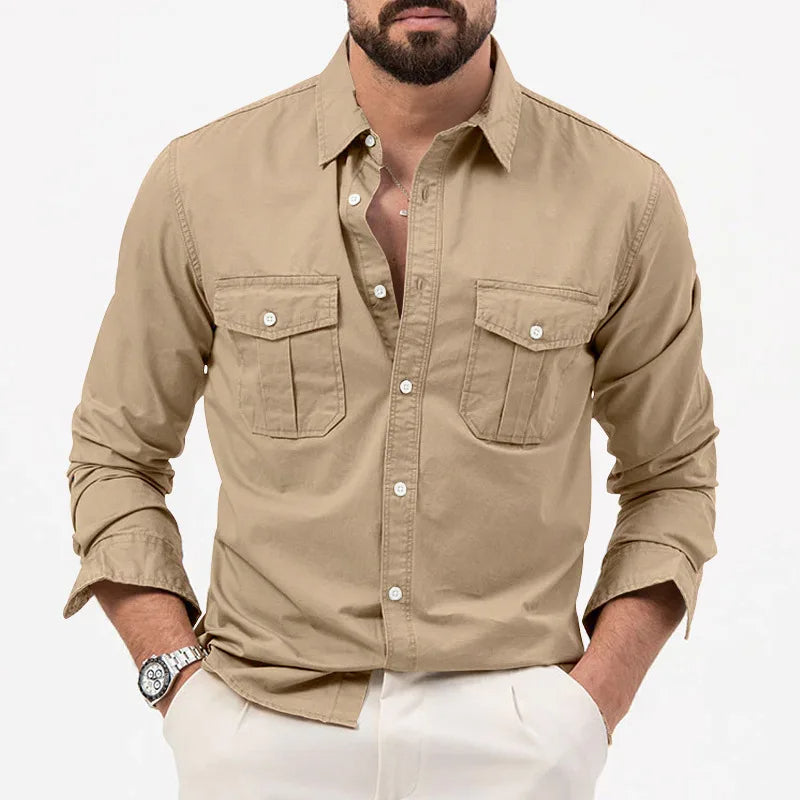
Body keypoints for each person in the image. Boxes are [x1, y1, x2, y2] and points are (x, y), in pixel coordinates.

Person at [62, 2, 720, 798]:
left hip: (517, 739)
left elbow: (672, 476)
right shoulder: (200, 182)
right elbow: (116, 457)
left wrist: (589, 708)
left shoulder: (622, 198)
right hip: (259, 729)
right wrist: (182, 690)